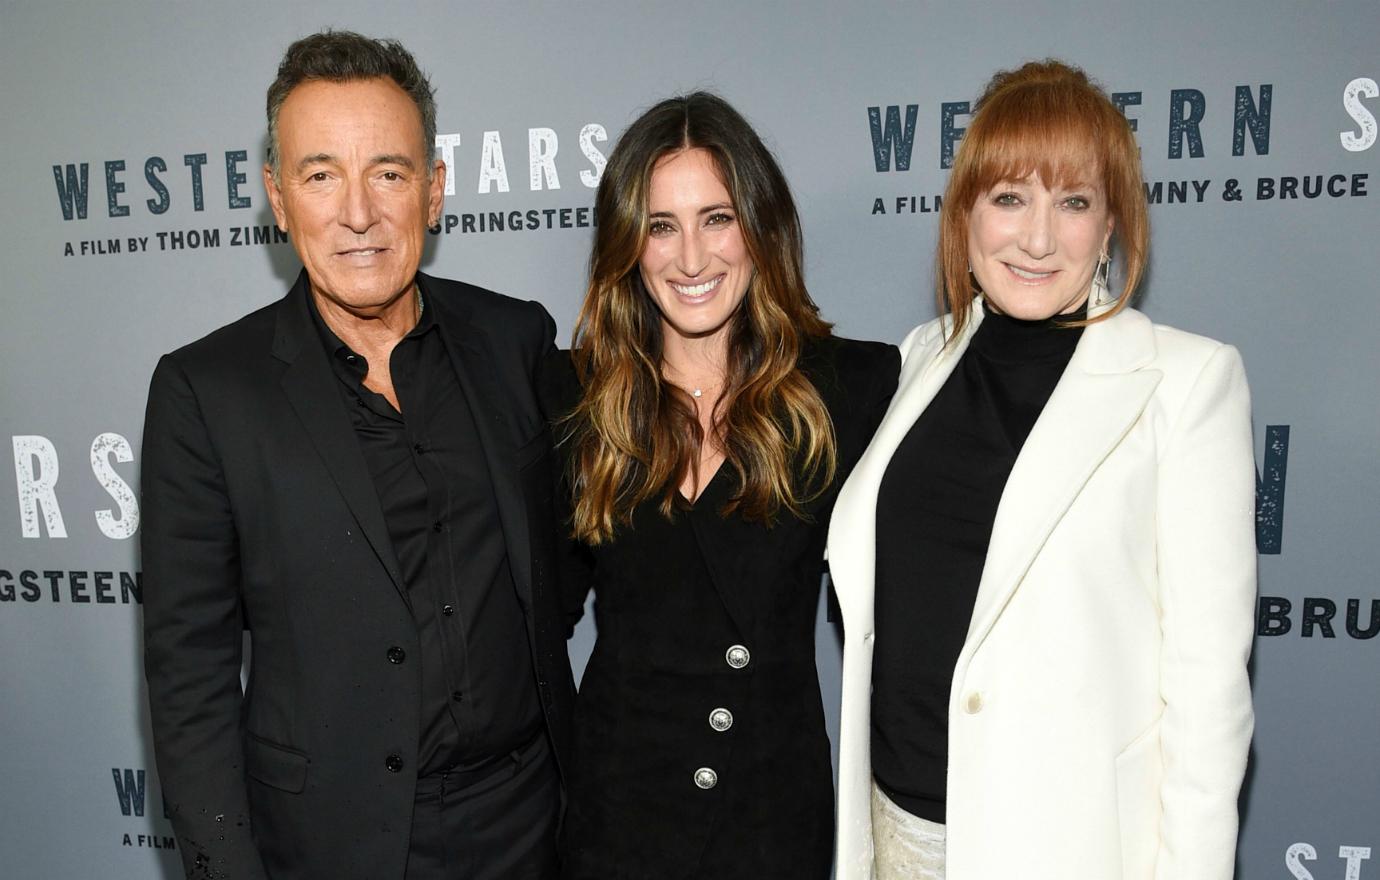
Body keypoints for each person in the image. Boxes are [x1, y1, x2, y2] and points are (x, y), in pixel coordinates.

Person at [141, 31, 572, 880]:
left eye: (389, 172)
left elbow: (585, 545)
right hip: (332, 844)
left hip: (532, 822)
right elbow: (189, 679)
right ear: (277, 197)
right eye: (320, 174)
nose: (358, 213)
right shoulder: (207, 392)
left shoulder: (516, 340)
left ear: (435, 191)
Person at [829, 60, 1256, 880]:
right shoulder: (923, 359)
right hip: (896, 835)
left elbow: (1208, 702)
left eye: (1073, 202)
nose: (1036, 238)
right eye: (1010, 198)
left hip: (1069, 846)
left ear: (1110, 225)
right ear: (965, 216)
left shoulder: (1185, 385)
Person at [550, 92, 899, 880]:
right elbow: (533, 621)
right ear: (627, 245)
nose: (692, 259)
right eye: (661, 226)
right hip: (618, 822)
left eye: (717, 218)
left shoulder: (849, 390)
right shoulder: (573, 400)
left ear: (760, 225)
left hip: (770, 817)